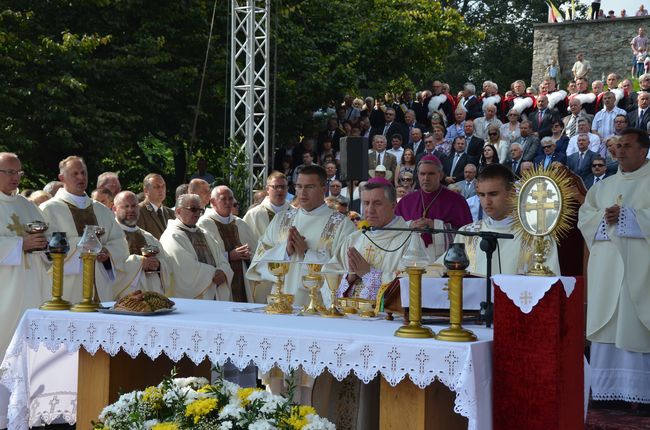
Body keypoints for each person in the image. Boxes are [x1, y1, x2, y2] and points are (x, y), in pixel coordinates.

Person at [578, 128, 650, 409]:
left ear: (644, 150)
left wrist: (629, 217)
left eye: (627, 146)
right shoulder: (604, 186)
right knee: (608, 328)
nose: (619, 151)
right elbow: (585, 218)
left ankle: (642, 396)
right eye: (617, 145)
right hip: (607, 271)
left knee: (635, 325)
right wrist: (603, 219)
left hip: (640, 270)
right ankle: (610, 394)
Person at [247, 164, 355, 307]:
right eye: (299, 186)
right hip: (280, 304)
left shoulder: (342, 225)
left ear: (324, 189)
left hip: (318, 307)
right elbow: (258, 262)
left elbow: (345, 272)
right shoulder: (281, 219)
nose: (302, 193)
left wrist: (306, 253)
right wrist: (285, 251)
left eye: (309, 187)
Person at [0, 153, 51, 430]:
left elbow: (46, 238)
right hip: (4, 294)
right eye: (9, 172)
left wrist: (45, 244)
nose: (15, 178)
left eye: (18, 173)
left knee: (31, 355)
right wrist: (20, 244)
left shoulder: (28, 206)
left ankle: (31, 416)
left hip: (33, 290)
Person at [438, 164, 560, 275]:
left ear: (512, 193)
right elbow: (440, 270)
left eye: (493, 194)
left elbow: (548, 282)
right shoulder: (467, 233)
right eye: (481, 195)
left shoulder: (537, 236)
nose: (487, 202)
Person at [40, 156, 129, 303]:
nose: (81, 177)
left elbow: (120, 242)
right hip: (67, 287)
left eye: (83, 173)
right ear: (62, 177)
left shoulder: (101, 210)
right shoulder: (49, 209)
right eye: (75, 174)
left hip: (101, 285)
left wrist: (108, 253)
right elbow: (47, 248)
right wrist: (85, 245)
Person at [395, 155, 472, 260]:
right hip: (410, 261)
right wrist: (409, 225)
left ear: (440, 175)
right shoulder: (406, 202)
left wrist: (436, 226)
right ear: (417, 175)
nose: (426, 178)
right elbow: (393, 232)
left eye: (431, 174)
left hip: (445, 262)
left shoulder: (457, 201)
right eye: (422, 174)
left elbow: (467, 236)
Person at [160, 193, 233, 299]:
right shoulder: (172, 236)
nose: (197, 213)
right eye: (193, 209)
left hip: (214, 293)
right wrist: (213, 274)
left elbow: (221, 259)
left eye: (200, 210)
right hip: (189, 299)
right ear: (178, 211)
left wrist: (223, 272)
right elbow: (185, 268)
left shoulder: (205, 234)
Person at [197, 186, 258, 303]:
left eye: (230, 199)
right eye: (223, 199)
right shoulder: (204, 224)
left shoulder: (240, 223)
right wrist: (229, 255)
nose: (228, 202)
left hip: (243, 279)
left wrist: (249, 255)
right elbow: (203, 257)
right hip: (220, 281)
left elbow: (256, 251)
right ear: (213, 202)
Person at [111, 191, 172, 299]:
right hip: (123, 300)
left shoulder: (149, 237)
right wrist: (140, 263)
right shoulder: (110, 236)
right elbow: (108, 266)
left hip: (152, 298)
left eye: (134, 206)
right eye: (126, 206)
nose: (131, 210)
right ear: (114, 209)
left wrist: (158, 265)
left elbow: (167, 264)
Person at [243, 172, 291, 241]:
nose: (280, 190)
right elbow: (246, 241)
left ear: (287, 189)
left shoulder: (295, 212)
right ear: (267, 189)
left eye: (283, 187)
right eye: (276, 187)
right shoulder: (254, 214)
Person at [136, 174, 175, 239]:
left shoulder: (172, 213)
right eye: (157, 187)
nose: (161, 189)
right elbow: (140, 241)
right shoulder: (138, 211)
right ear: (146, 191)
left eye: (163, 186)